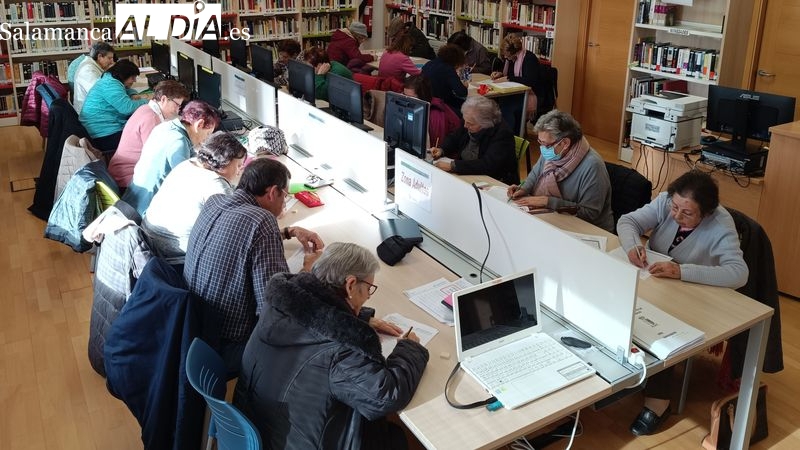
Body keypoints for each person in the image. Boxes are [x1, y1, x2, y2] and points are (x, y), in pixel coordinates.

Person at [234, 242, 429, 450]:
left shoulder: (279, 304)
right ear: (350, 285)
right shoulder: (341, 351)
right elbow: (386, 395)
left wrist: (358, 318)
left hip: (256, 430)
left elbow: (315, 312)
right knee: (397, 437)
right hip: (292, 443)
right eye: (368, 289)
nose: (368, 297)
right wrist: (409, 349)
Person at [617, 170, 748, 436]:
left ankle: (658, 403)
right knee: (619, 301)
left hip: (695, 296)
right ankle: (624, 371)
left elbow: (738, 273)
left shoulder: (721, 225)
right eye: (674, 207)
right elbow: (628, 221)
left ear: (707, 213)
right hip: (657, 283)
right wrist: (632, 246)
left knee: (661, 327)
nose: (676, 215)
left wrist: (682, 271)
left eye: (686, 213)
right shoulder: (668, 202)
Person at [184, 157, 324, 374]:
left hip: (194, 325)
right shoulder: (262, 221)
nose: (284, 203)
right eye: (284, 196)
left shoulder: (215, 201)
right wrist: (308, 270)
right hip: (229, 341)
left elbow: (238, 238)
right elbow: (277, 306)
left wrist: (288, 232)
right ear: (272, 192)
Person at [141, 131, 246, 264]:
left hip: (149, 238)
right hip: (174, 254)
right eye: (238, 165)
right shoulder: (216, 184)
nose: (239, 171)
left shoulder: (189, 163)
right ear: (224, 162)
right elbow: (234, 227)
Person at [507, 110, 614, 232]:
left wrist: (548, 202)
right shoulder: (553, 153)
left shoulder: (592, 166)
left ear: (565, 143)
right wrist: (523, 189)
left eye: (546, 145)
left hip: (589, 230)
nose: (542, 149)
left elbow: (590, 213)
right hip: (554, 219)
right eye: (540, 143)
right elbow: (534, 176)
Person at [122, 100, 220, 216]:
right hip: (146, 210)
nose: (206, 139)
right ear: (199, 125)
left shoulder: (165, 126)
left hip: (132, 199)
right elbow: (187, 183)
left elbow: (192, 158)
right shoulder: (178, 142)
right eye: (208, 133)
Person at [107, 80, 189, 189]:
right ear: (164, 99)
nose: (178, 110)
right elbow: (157, 158)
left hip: (123, 173)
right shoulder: (151, 119)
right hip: (127, 179)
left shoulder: (146, 109)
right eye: (177, 105)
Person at [430, 95, 518, 185]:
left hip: (495, 182)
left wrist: (453, 166)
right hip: (467, 175)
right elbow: (454, 138)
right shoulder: (468, 120)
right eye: (465, 121)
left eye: (470, 124)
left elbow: (487, 165)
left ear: (485, 124)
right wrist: (441, 150)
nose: (465, 126)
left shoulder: (502, 134)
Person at [79, 59, 150, 153]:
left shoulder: (109, 79)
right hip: (104, 136)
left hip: (100, 129)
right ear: (124, 76)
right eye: (132, 78)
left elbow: (124, 89)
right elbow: (127, 108)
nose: (134, 80)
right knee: (147, 137)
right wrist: (148, 101)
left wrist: (133, 94)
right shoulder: (110, 84)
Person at [491, 34, 544, 129]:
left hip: (531, 94)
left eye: (508, 56)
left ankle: (510, 137)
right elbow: (510, 75)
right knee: (494, 103)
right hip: (514, 92)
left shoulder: (529, 58)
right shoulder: (510, 60)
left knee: (507, 108)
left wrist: (508, 78)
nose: (506, 58)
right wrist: (500, 75)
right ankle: (500, 133)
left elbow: (529, 81)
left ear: (515, 52)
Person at [403, 75, 460, 148]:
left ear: (422, 97)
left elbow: (433, 147)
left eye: (411, 98)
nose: (406, 100)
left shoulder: (436, 115)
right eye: (404, 95)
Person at [421, 44, 468, 113]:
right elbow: (462, 92)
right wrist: (464, 86)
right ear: (457, 59)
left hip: (427, 102)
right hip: (441, 104)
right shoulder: (448, 69)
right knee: (468, 107)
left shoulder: (429, 64)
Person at [73, 42, 115, 114]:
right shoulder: (87, 70)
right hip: (90, 114)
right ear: (99, 57)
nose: (112, 62)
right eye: (109, 58)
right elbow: (100, 93)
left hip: (95, 108)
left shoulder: (95, 66)